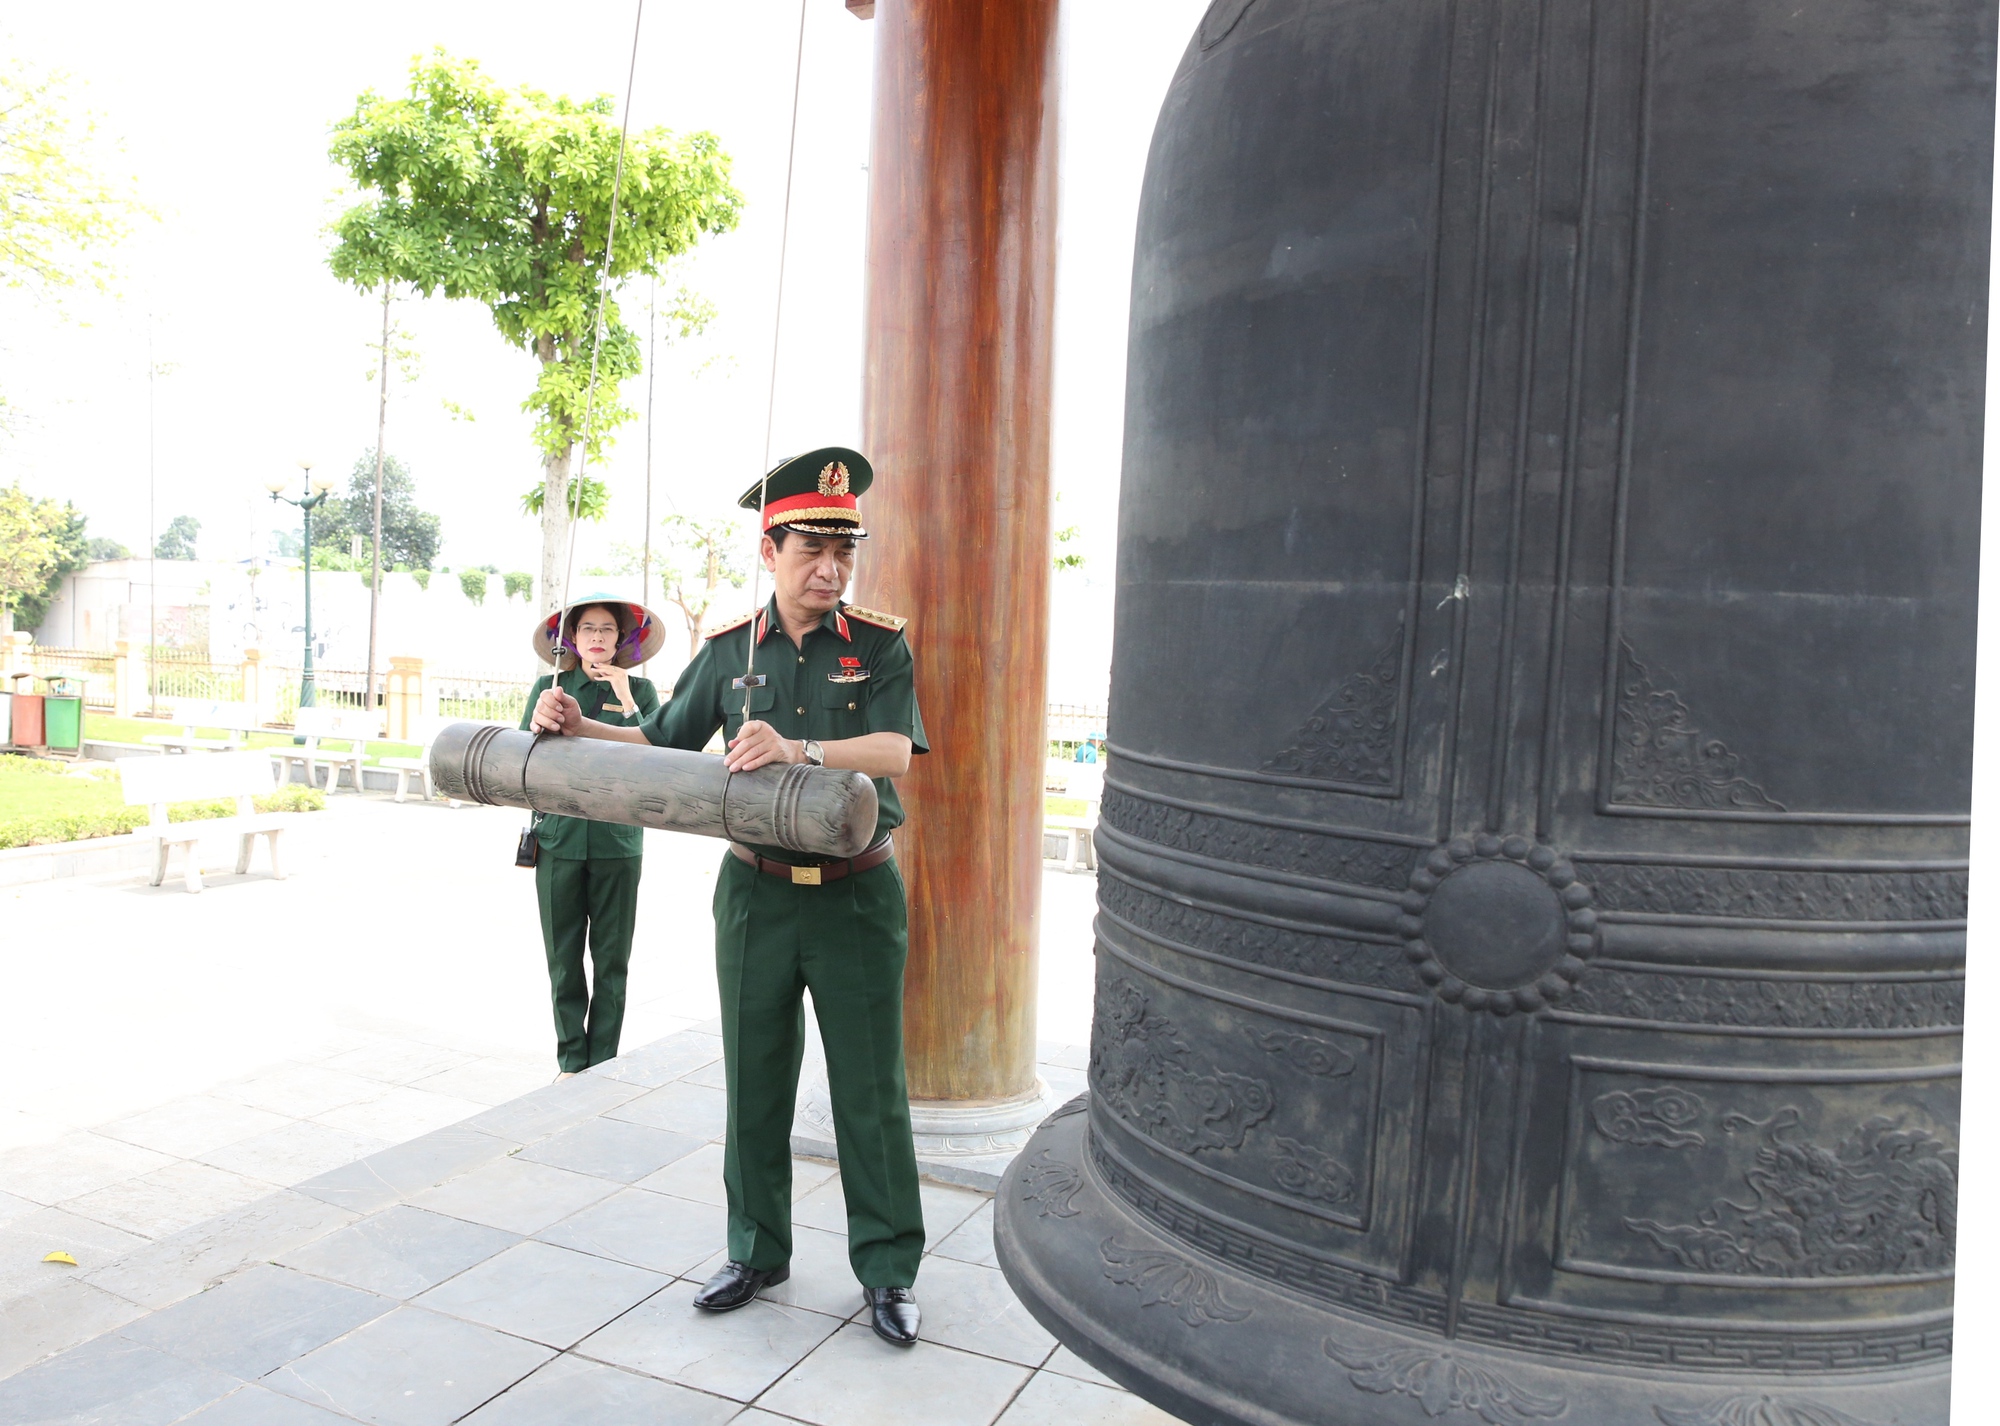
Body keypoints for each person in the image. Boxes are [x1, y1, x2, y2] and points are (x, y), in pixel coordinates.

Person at [529, 447, 929, 1347]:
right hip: (753, 894)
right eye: (809, 552)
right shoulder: (726, 652)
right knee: (755, 1079)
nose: (830, 570)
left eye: (844, 553)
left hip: (858, 898)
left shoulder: (879, 645)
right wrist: (577, 722)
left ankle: (890, 1269)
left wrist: (799, 749)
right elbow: (662, 744)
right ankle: (756, 1251)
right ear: (770, 550)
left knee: (871, 1091)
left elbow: (896, 754)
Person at [519, 593, 665, 1079]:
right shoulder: (550, 686)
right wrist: (542, 721)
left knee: (611, 962)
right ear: (572, 639)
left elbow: (655, 758)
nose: (598, 637)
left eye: (607, 629)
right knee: (562, 959)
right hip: (558, 842)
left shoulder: (641, 693)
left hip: (616, 845)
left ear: (621, 639)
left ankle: (602, 1064)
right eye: (588, 629)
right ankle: (571, 1060)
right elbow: (523, 762)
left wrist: (624, 698)